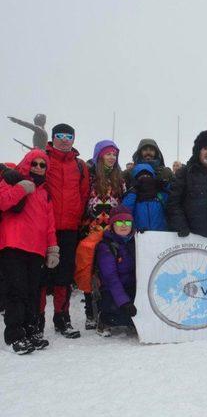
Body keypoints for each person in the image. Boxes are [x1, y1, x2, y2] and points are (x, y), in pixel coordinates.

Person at [0, 149, 57, 354]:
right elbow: (2, 202)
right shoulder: (12, 181)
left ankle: (31, 330)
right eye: (35, 163)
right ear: (27, 163)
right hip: (13, 245)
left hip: (36, 249)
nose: (38, 168)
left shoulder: (45, 194)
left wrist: (53, 249)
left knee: (33, 292)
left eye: (43, 165)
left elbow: (50, 225)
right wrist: (21, 189)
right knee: (16, 292)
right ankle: (15, 335)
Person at [40, 123, 89, 339]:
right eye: (60, 135)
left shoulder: (80, 166)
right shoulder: (42, 158)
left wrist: (78, 219)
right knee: (41, 277)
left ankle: (62, 318)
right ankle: (37, 319)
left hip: (70, 229)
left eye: (69, 136)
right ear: (52, 138)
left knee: (64, 276)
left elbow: (84, 194)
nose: (65, 139)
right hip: (43, 228)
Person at [80, 140, 126, 330]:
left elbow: (122, 204)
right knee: (89, 270)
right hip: (91, 229)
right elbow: (82, 201)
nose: (111, 158)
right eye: (108, 154)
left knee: (106, 271)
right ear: (99, 155)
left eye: (114, 155)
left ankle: (103, 312)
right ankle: (89, 313)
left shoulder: (119, 179)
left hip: (110, 232)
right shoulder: (90, 176)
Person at [95, 205, 137, 337]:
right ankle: (104, 319)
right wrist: (124, 301)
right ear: (112, 225)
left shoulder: (137, 241)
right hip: (112, 291)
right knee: (123, 316)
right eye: (119, 222)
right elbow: (111, 278)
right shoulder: (106, 246)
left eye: (127, 222)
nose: (124, 225)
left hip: (133, 287)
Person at [122, 164, 169, 232]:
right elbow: (125, 211)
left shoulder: (160, 194)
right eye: (141, 177)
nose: (145, 178)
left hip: (161, 235)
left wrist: (166, 184)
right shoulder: (133, 195)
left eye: (147, 176)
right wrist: (132, 193)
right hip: (140, 236)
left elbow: (171, 208)